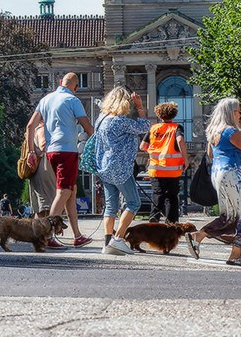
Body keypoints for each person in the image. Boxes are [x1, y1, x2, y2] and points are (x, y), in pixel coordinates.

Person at [26, 72, 96, 248]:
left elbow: (30, 126)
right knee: (64, 192)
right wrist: (100, 143)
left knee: (71, 192)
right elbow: (87, 126)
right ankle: (47, 233)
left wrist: (30, 152)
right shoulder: (73, 100)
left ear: (60, 82)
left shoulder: (45, 100)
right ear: (76, 87)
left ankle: (78, 236)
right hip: (67, 150)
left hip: (51, 152)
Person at [190, 97, 241, 267]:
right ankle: (236, 254)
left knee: (228, 215)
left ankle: (198, 236)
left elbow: (210, 155)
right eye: (238, 111)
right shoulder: (230, 131)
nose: (240, 114)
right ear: (230, 112)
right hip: (231, 174)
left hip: (218, 173)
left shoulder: (215, 131)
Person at [94, 87, 151, 255]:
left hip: (104, 166)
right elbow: (145, 126)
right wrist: (140, 107)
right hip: (120, 167)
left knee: (111, 206)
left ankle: (107, 243)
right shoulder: (119, 121)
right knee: (134, 203)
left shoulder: (101, 119)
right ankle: (117, 239)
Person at [143, 101, 188, 223]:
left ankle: (154, 220)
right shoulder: (177, 127)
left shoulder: (153, 128)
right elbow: (180, 140)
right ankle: (172, 224)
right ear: (174, 114)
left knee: (158, 194)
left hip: (156, 169)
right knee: (172, 197)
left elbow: (143, 146)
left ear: (159, 115)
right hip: (173, 170)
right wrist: (185, 159)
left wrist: (154, 151)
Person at [25, 126, 55, 218]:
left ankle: (38, 231)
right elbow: (43, 145)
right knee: (47, 205)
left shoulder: (34, 130)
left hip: (38, 169)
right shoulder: (42, 129)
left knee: (41, 207)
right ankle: (43, 231)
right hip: (44, 169)